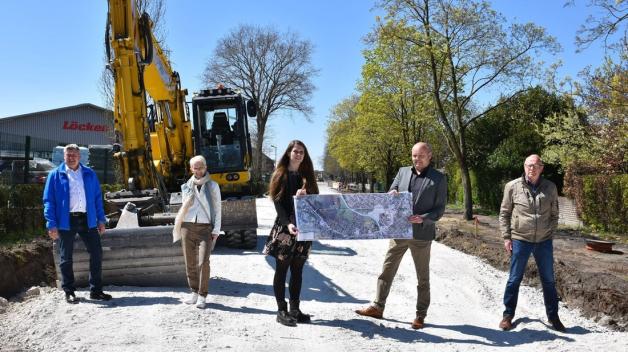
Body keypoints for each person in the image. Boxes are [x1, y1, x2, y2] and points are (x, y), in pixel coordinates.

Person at [355, 142, 447, 329]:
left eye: (420, 156)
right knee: (387, 270)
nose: (416, 159)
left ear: (429, 155)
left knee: (422, 277)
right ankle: (377, 307)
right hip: (398, 231)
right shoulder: (403, 171)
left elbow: (440, 209)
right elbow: (391, 193)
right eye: (414, 156)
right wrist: (392, 193)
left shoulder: (439, 178)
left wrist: (423, 218)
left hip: (422, 235)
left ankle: (420, 316)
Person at [498, 154, 565, 332]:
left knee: (549, 280)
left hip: (543, 241)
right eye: (529, 165)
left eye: (535, 166)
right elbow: (504, 213)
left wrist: (549, 234)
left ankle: (553, 317)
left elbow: (554, 214)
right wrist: (507, 237)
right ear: (524, 166)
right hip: (520, 239)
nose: (532, 169)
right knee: (514, 279)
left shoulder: (550, 187)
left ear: (541, 168)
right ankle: (508, 315)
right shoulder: (512, 187)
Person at [43, 144, 111, 303]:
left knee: (97, 253)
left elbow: (97, 199)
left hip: (88, 219)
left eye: (74, 155)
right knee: (66, 257)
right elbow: (49, 201)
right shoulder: (55, 175)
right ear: (64, 156)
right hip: (66, 221)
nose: (71, 157)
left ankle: (96, 290)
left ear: (79, 157)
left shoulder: (89, 174)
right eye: (68, 155)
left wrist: (101, 220)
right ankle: (69, 291)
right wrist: (51, 224)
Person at [263, 140, 319, 327]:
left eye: (302, 152)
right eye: (295, 151)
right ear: (288, 153)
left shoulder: (306, 175)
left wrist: (306, 195)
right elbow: (278, 202)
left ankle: (295, 309)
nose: (299, 154)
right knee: (281, 269)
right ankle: (281, 310)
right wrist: (287, 224)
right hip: (286, 229)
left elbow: (315, 200)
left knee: (298, 270)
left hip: (304, 228)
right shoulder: (281, 174)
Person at [173, 155, 222, 309]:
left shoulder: (213, 186)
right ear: (191, 169)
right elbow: (184, 208)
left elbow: (218, 209)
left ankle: (202, 295)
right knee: (190, 262)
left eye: (201, 167)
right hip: (187, 226)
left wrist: (216, 230)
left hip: (205, 227)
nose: (199, 170)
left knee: (203, 262)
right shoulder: (186, 186)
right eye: (196, 167)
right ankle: (193, 292)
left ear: (206, 167)